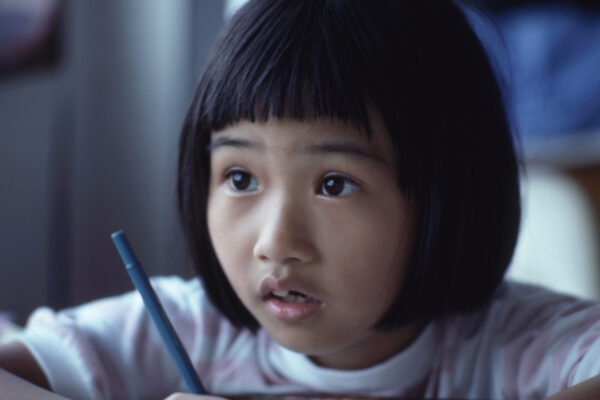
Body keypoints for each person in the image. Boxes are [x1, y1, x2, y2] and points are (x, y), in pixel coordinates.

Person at [1, 0, 600, 399]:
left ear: (448, 195)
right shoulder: (188, 330)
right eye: (240, 179)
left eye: (334, 184)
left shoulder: (512, 347)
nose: (275, 242)